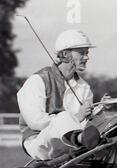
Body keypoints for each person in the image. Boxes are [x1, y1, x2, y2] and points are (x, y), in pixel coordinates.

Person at [17, 29, 104, 161]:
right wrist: (76, 117)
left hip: (71, 145)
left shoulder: (84, 87)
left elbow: (87, 125)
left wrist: (96, 113)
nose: (87, 57)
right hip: (39, 143)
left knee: (101, 119)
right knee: (64, 116)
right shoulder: (37, 80)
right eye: (81, 53)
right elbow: (35, 122)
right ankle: (81, 139)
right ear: (65, 54)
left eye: (87, 53)